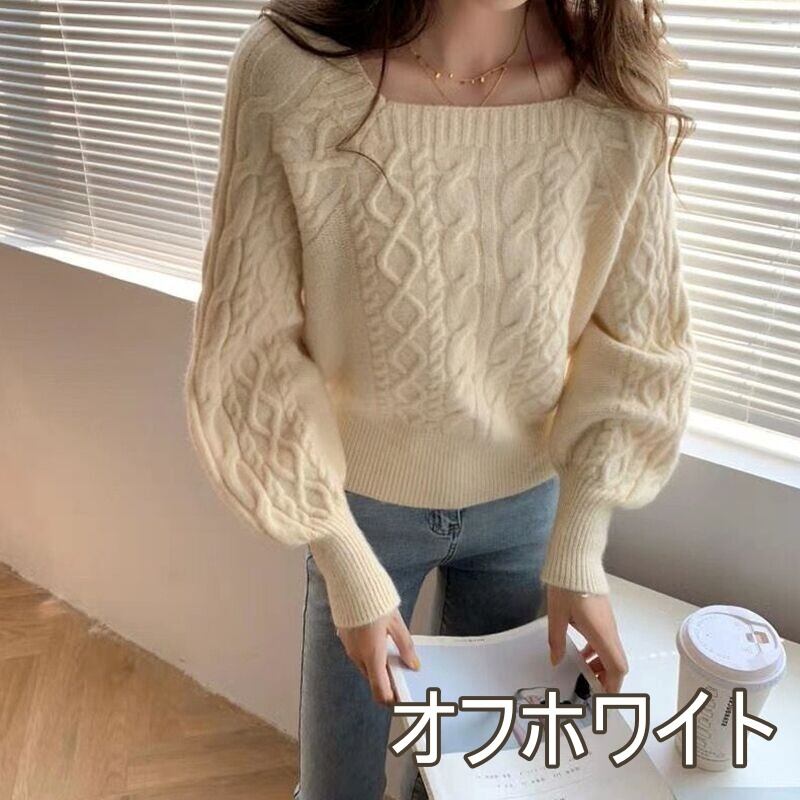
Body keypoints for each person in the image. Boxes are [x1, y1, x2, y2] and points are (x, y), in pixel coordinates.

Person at [183, 0, 696, 797]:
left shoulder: (614, 85)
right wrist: (341, 555)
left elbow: (640, 338)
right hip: (362, 511)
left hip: (529, 510)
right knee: (336, 787)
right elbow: (248, 348)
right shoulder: (291, 74)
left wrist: (580, 541)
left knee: (478, 781)